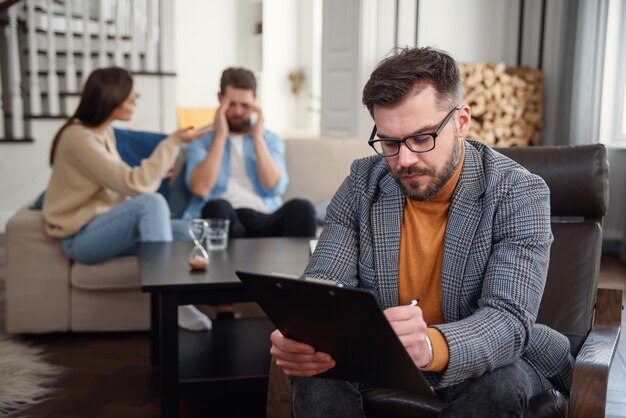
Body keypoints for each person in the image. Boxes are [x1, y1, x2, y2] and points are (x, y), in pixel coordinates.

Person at [269, 47, 573, 417]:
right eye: (391, 142)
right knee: (317, 372)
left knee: (498, 385)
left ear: (461, 122)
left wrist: (430, 345)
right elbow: (324, 279)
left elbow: (508, 318)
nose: (405, 159)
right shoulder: (363, 182)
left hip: (490, 358)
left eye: (422, 137)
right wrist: (303, 329)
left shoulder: (518, 192)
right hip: (383, 353)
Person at [42, 67, 213, 332]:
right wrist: (173, 142)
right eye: (132, 97)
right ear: (112, 99)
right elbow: (136, 183)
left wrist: (155, 173)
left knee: (194, 232)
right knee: (152, 203)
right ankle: (171, 302)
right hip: (81, 238)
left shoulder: (103, 133)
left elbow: (120, 185)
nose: (135, 103)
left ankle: (207, 298)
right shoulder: (77, 138)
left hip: (106, 228)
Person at [183, 67, 316, 238]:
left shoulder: (270, 139)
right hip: (225, 219)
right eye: (231, 104)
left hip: (264, 217)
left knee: (302, 208)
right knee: (217, 208)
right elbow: (200, 189)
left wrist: (257, 139)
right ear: (219, 99)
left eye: (245, 105)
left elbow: (274, 187)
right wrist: (220, 137)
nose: (238, 112)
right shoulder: (200, 139)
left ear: (254, 101)